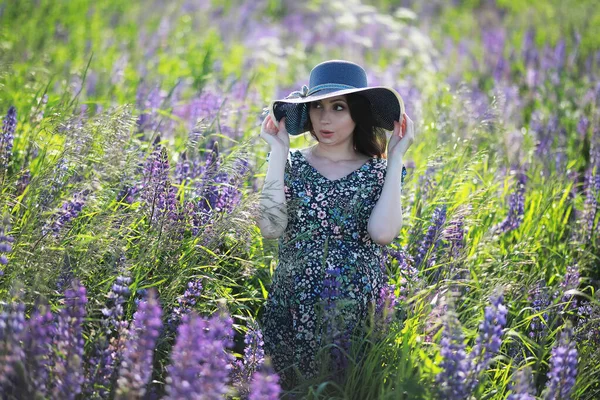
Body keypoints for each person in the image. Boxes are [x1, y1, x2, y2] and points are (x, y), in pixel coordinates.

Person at [256, 60, 415, 390]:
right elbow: (270, 227)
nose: (324, 119)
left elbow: (383, 234)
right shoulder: (292, 164)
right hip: (292, 312)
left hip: (355, 317)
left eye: (338, 107)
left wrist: (396, 158)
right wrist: (277, 152)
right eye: (317, 107)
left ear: (358, 112)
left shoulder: (378, 172)